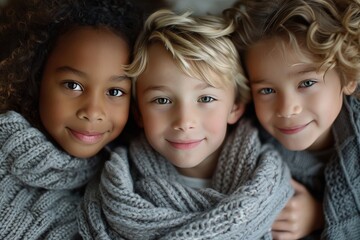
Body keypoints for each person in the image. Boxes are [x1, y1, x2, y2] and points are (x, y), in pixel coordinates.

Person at [78, 9, 293, 239]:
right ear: (138, 113)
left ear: (235, 106)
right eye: (162, 100)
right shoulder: (117, 186)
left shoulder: (269, 184)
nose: (184, 122)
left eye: (205, 99)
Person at [0, 0, 142, 239]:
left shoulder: (126, 186)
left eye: (115, 92)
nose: (93, 111)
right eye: (73, 85)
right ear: (36, 77)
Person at [225, 0, 360, 239]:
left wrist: (321, 215)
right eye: (267, 90)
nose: (287, 110)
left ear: (349, 77)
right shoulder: (249, 150)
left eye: (307, 83)